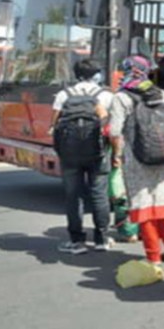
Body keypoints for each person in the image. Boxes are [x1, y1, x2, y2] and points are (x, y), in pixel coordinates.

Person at [109, 55, 164, 265]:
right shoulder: (163, 94)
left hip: (136, 158)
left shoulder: (122, 97)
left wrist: (117, 155)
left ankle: (153, 256)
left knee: (143, 206)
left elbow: (115, 131)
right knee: (162, 204)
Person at [50, 59, 114, 254]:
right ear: (97, 74)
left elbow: (53, 125)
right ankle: (102, 240)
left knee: (73, 196)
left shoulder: (63, 94)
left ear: (76, 74)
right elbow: (111, 125)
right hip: (98, 152)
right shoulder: (105, 95)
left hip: (70, 154)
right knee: (99, 194)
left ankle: (76, 241)